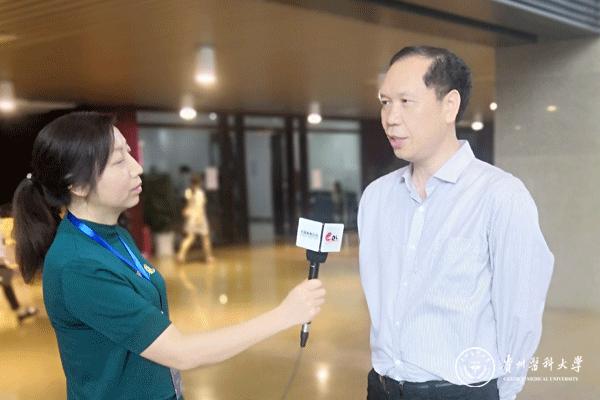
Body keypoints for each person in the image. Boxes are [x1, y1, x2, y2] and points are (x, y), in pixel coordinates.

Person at [12, 111, 325, 400]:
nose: (137, 168)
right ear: (78, 185)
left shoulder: (115, 235)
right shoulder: (78, 266)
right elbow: (181, 352)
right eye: (119, 161)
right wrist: (284, 315)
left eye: (130, 153)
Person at [358, 46, 553, 400]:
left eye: (406, 101)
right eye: (385, 102)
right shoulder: (376, 198)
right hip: (383, 387)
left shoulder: (500, 195)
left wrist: (504, 391)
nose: (390, 117)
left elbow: (520, 313)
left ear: (449, 105)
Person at [0, 204, 38, 323]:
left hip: (4, 262)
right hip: (3, 263)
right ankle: (20, 312)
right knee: (9, 285)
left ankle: (20, 312)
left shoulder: (3, 225)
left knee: (8, 285)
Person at [176, 173, 213, 263]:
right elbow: (200, 207)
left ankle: (181, 255)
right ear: (200, 182)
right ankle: (208, 257)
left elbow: (188, 204)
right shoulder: (200, 193)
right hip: (199, 217)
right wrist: (199, 219)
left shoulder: (188, 192)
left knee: (190, 238)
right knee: (205, 238)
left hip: (190, 217)